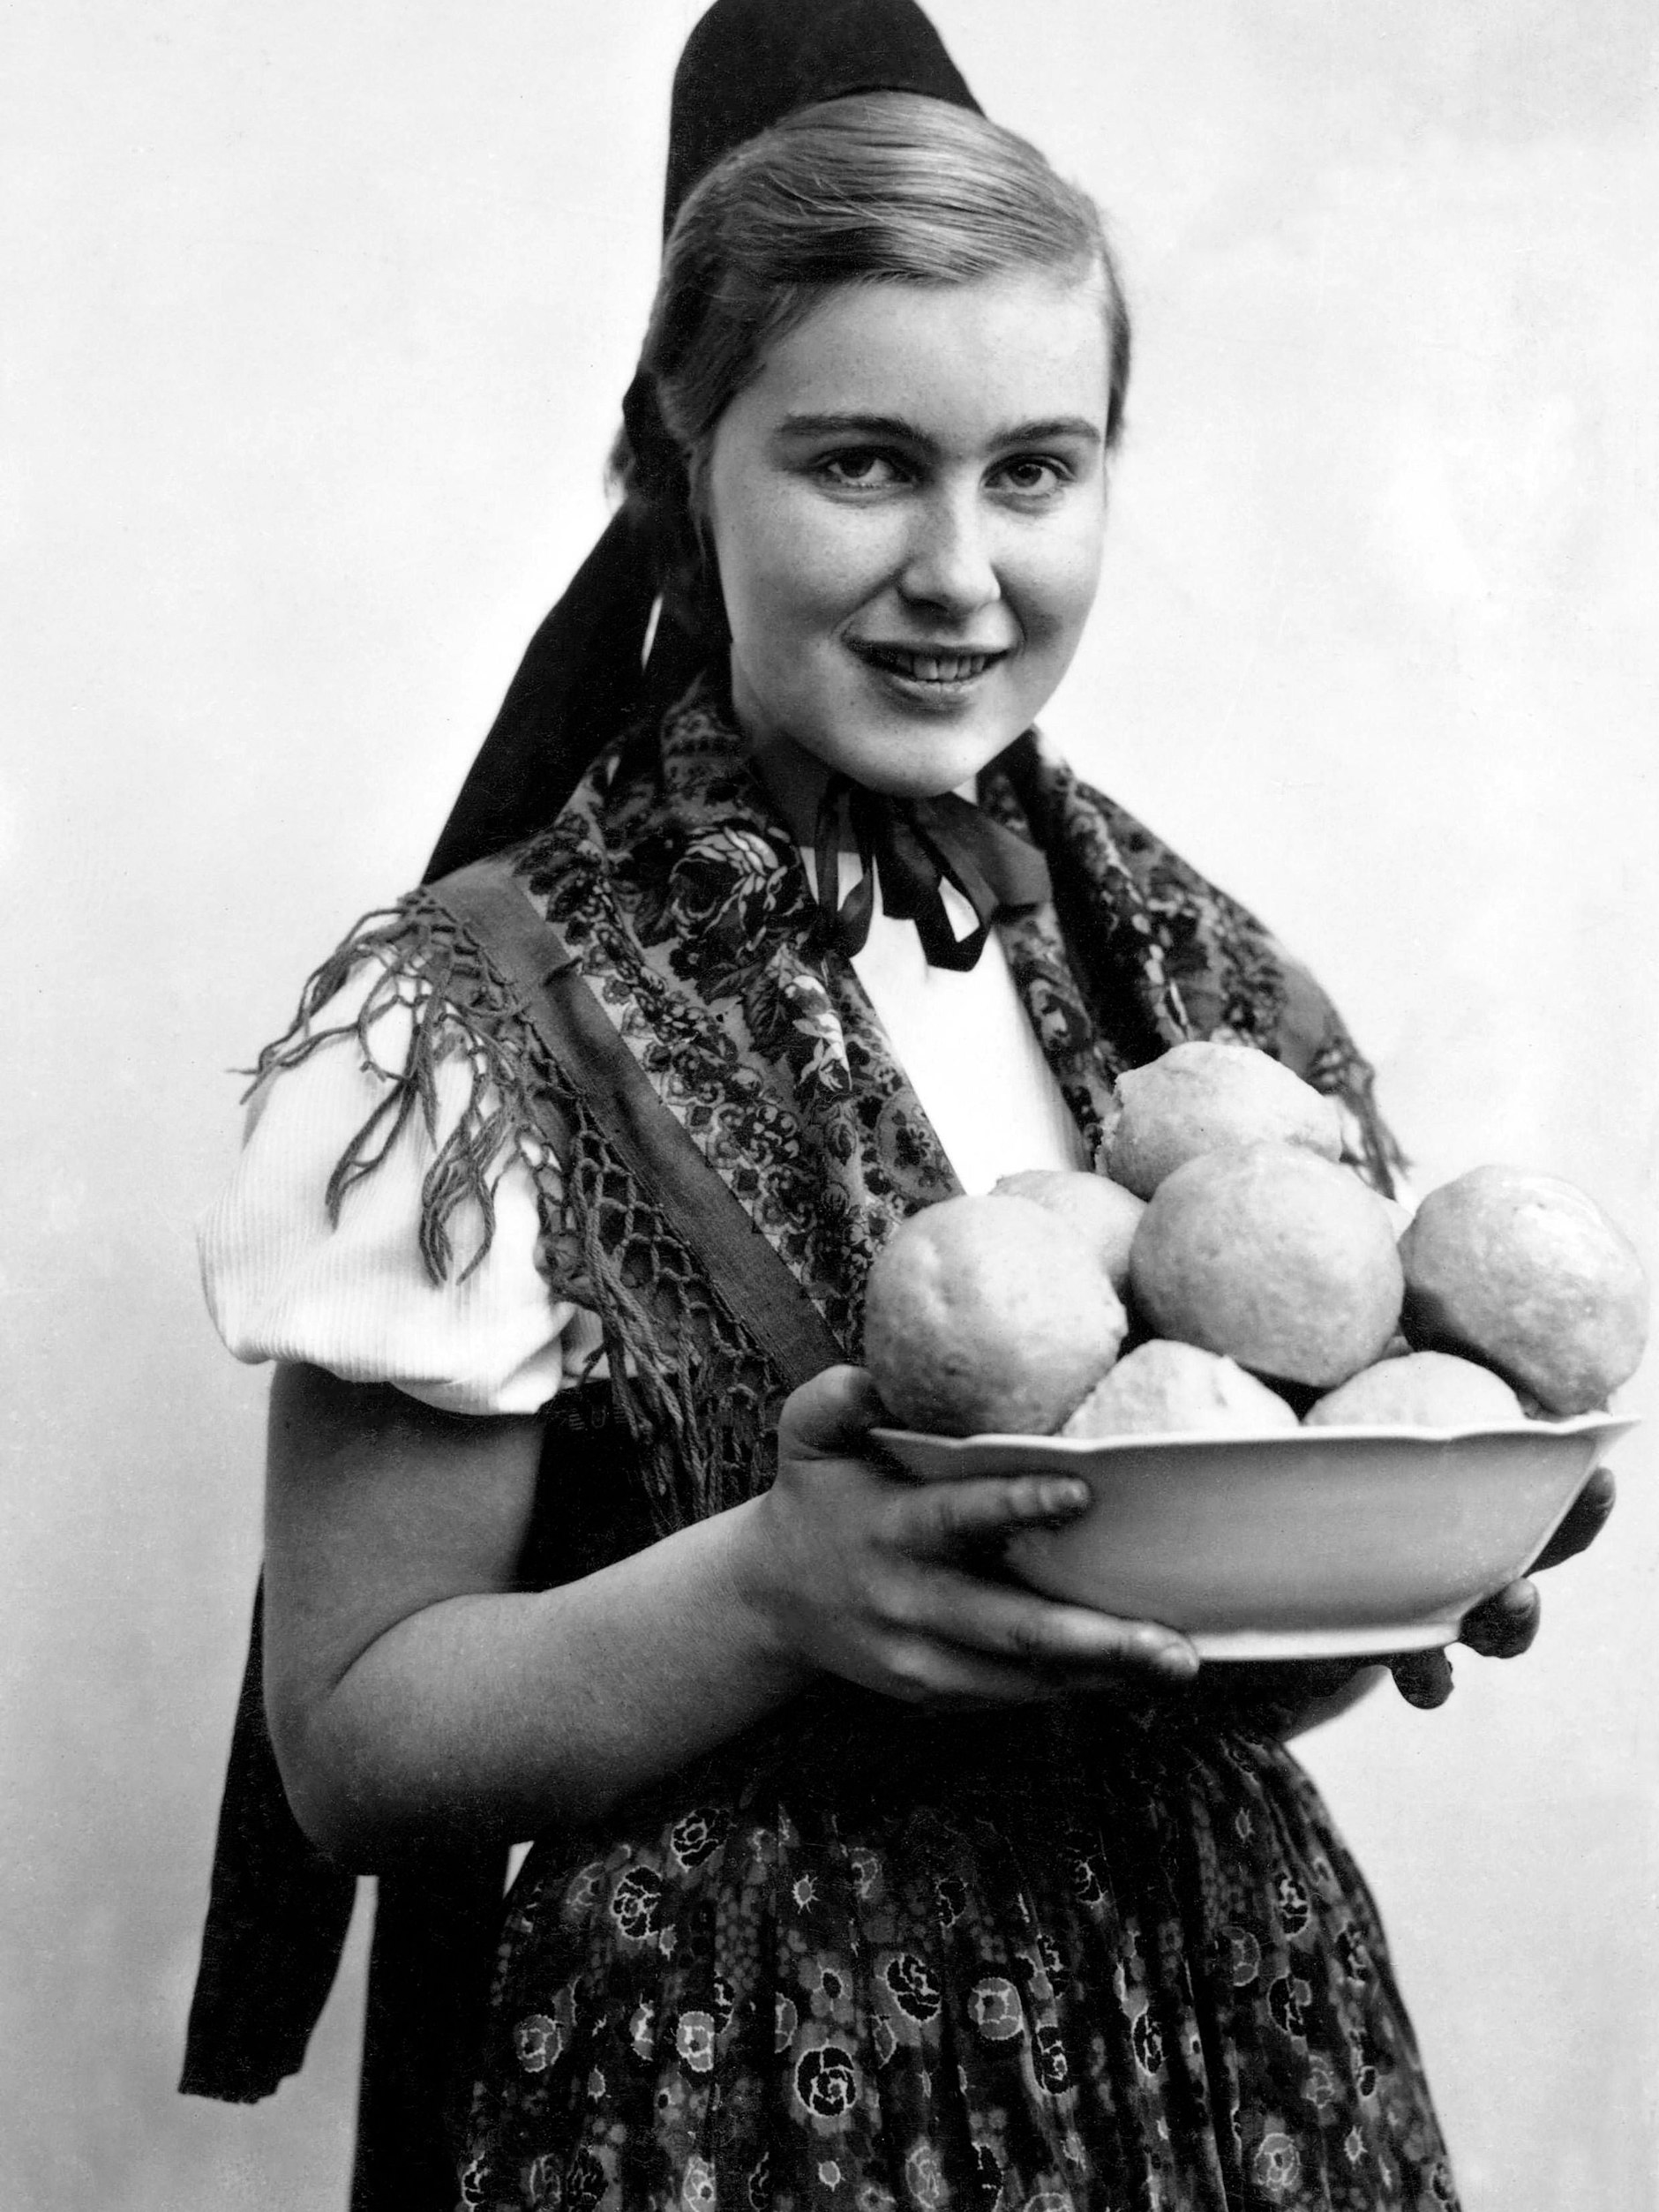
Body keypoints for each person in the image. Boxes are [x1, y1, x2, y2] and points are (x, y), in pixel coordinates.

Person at [181, 6, 1613, 2209]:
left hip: (1235, 2070)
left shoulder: (1198, 992)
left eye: (1033, 469)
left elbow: (1173, 1646)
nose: (962, 569)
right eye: (861, 464)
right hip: (738, 2104)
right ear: (677, 469)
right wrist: (775, 1590)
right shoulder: (466, 1031)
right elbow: (355, 1745)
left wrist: (1380, 1563)